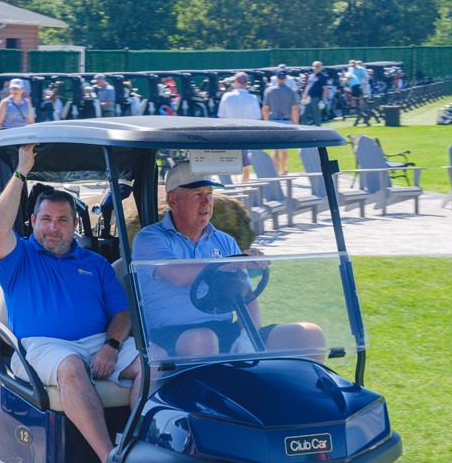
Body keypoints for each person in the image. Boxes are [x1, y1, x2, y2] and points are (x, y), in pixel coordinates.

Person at [0, 144, 141, 463]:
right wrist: (22, 170)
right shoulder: (19, 258)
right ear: (32, 221)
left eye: (62, 220)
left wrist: (111, 346)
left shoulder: (95, 263)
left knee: (152, 364)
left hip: (99, 344)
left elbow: (123, 312)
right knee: (71, 367)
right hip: (40, 347)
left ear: (74, 225)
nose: (53, 227)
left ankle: (142, 450)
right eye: (46, 219)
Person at [132, 160, 325, 359]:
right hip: (170, 337)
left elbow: (246, 294)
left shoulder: (224, 241)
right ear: (173, 200)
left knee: (309, 335)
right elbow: (178, 275)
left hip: (223, 329)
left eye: (209, 193)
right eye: (197, 194)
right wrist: (232, 262)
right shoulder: (149, 239)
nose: (206, 202)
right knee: (203, 339)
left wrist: (249, 335)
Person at [217, 71, 262, 183]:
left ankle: (229, 187)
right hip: (246, 135)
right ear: (246, 83)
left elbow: (221, 117)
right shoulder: (253, 98)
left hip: (229, 135)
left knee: (227, 164)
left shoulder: (227, 97)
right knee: (245, 166)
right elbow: (257, 119)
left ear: (236, 82)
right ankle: (244, 187)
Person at [261, 67, 300, 175]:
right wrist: (296, 123)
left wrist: (265, 122)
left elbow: (265, 108)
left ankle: (275, 170)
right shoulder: (290, 92)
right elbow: (294, 108)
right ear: (285, 78)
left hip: (273, 121)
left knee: (274, 149)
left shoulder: (269, 91)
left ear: (277, 78)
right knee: (284, 149)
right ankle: (283, 169)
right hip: (286, 122)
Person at [300, 61, 328, 126]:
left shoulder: (322, 77)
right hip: (309, 98)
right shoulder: (311, 76)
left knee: (316, 117)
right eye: (314, 66)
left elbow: (325, 89)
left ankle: (318, 131)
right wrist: (304, 97)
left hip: (316, 98)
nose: (316, 67)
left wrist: (323, 100)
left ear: (320, 67)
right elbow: (307, 87)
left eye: (317, 66)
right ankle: (305, 130)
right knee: (303, 114)